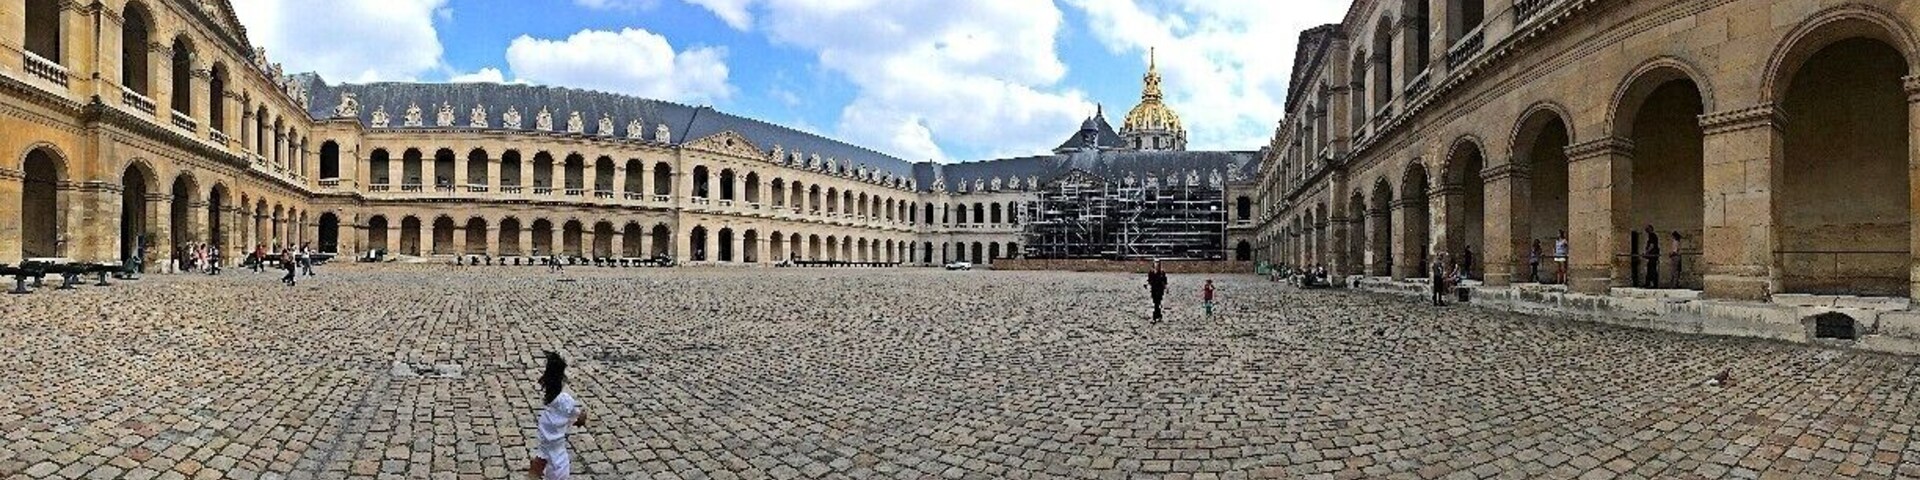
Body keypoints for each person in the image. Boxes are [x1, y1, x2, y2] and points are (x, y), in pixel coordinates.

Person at [530, 352, 587, 479]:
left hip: (544, 453)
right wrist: (581, 417)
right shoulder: (566, 401)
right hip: (559, 459)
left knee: (535, 470)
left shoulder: (547, 412)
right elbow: (579, 417)